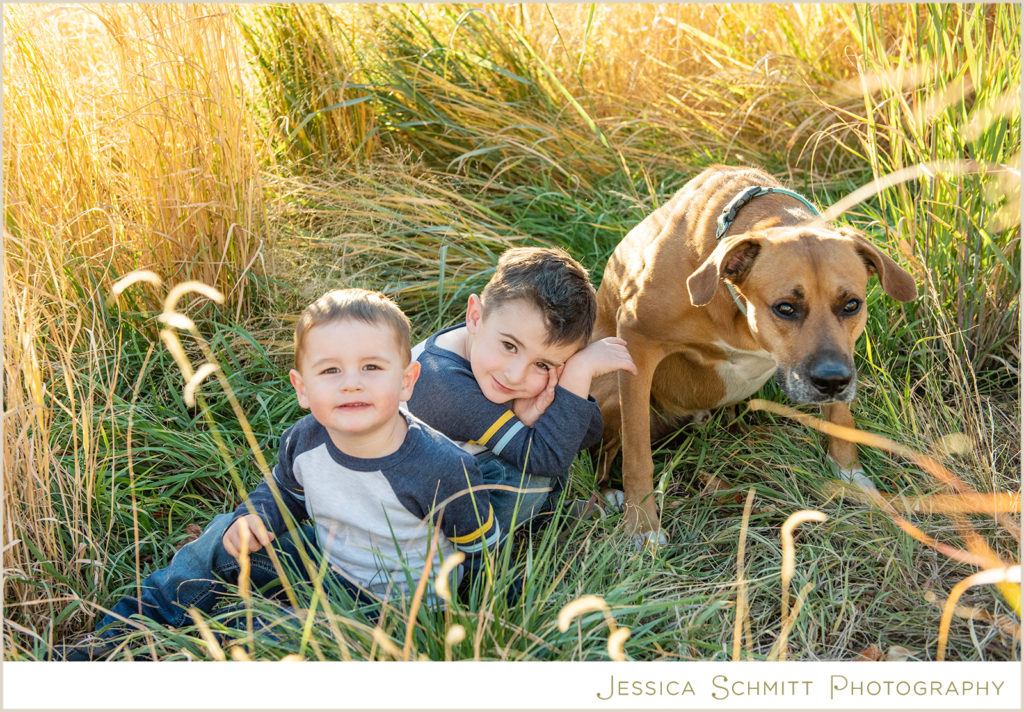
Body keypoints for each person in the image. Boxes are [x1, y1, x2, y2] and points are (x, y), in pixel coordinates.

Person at [59, 288, 500, 660]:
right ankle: (114, 639)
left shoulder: (440, 465)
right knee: (221, 535)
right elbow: (283, 491)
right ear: (302, 388)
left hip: (393, 607)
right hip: (326, 559)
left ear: (407, 381)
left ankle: (225, 643)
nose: (351, 383)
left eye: (371, 367)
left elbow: (481, 549)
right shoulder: (304, 440)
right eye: (330, 370)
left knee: (275, 635)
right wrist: (256, 517)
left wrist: (463, 623)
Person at [406, 247, 636, 533]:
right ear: (475, 316)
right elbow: (546, 459)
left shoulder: (490, 350)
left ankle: (542, 514)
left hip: (455, 472)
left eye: (542, 363)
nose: (515, 375)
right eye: (509, 346)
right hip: (412, 511)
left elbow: (584, 436)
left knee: (553, 424)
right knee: (529, 479)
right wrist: (579, 372)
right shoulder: (444, 384)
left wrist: (563, 384)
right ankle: (479, 554)